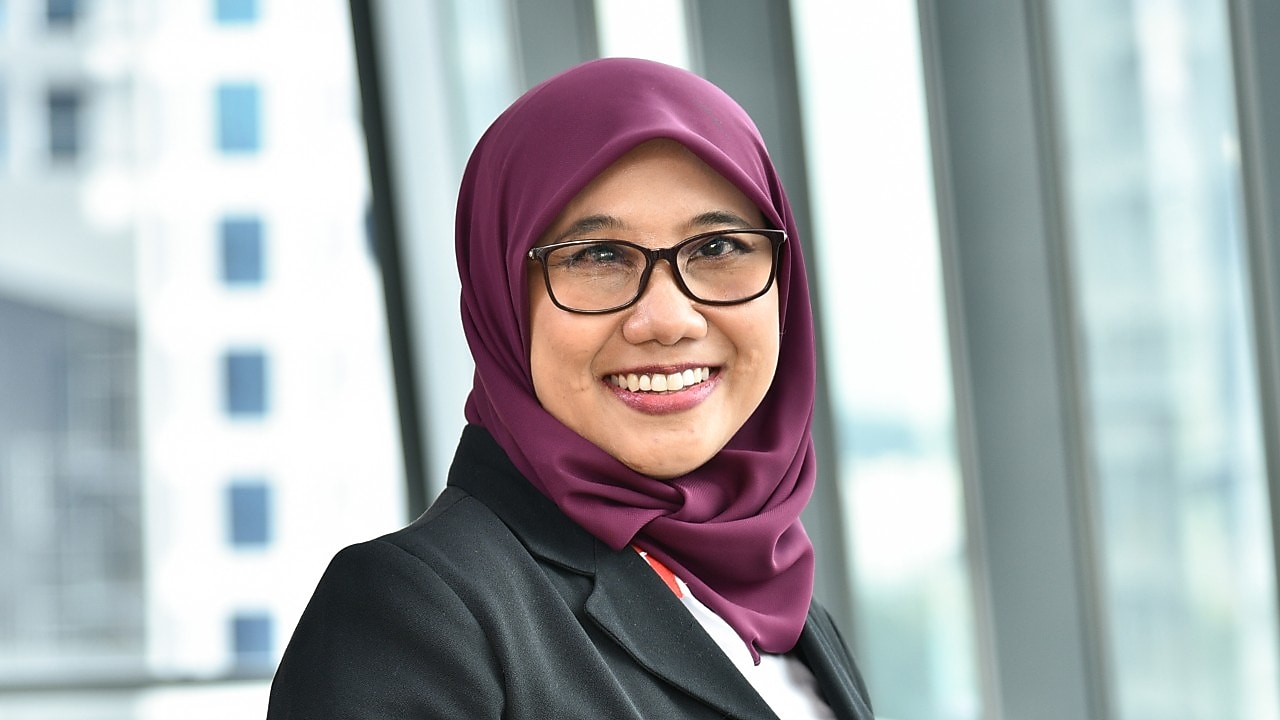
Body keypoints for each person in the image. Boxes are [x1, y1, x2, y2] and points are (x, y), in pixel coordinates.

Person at [267, 57, 875, 719]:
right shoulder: (415, 613)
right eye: (599, 257)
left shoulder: (788, 614)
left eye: (718, 248)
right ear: (501, 297)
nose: (669, 320)